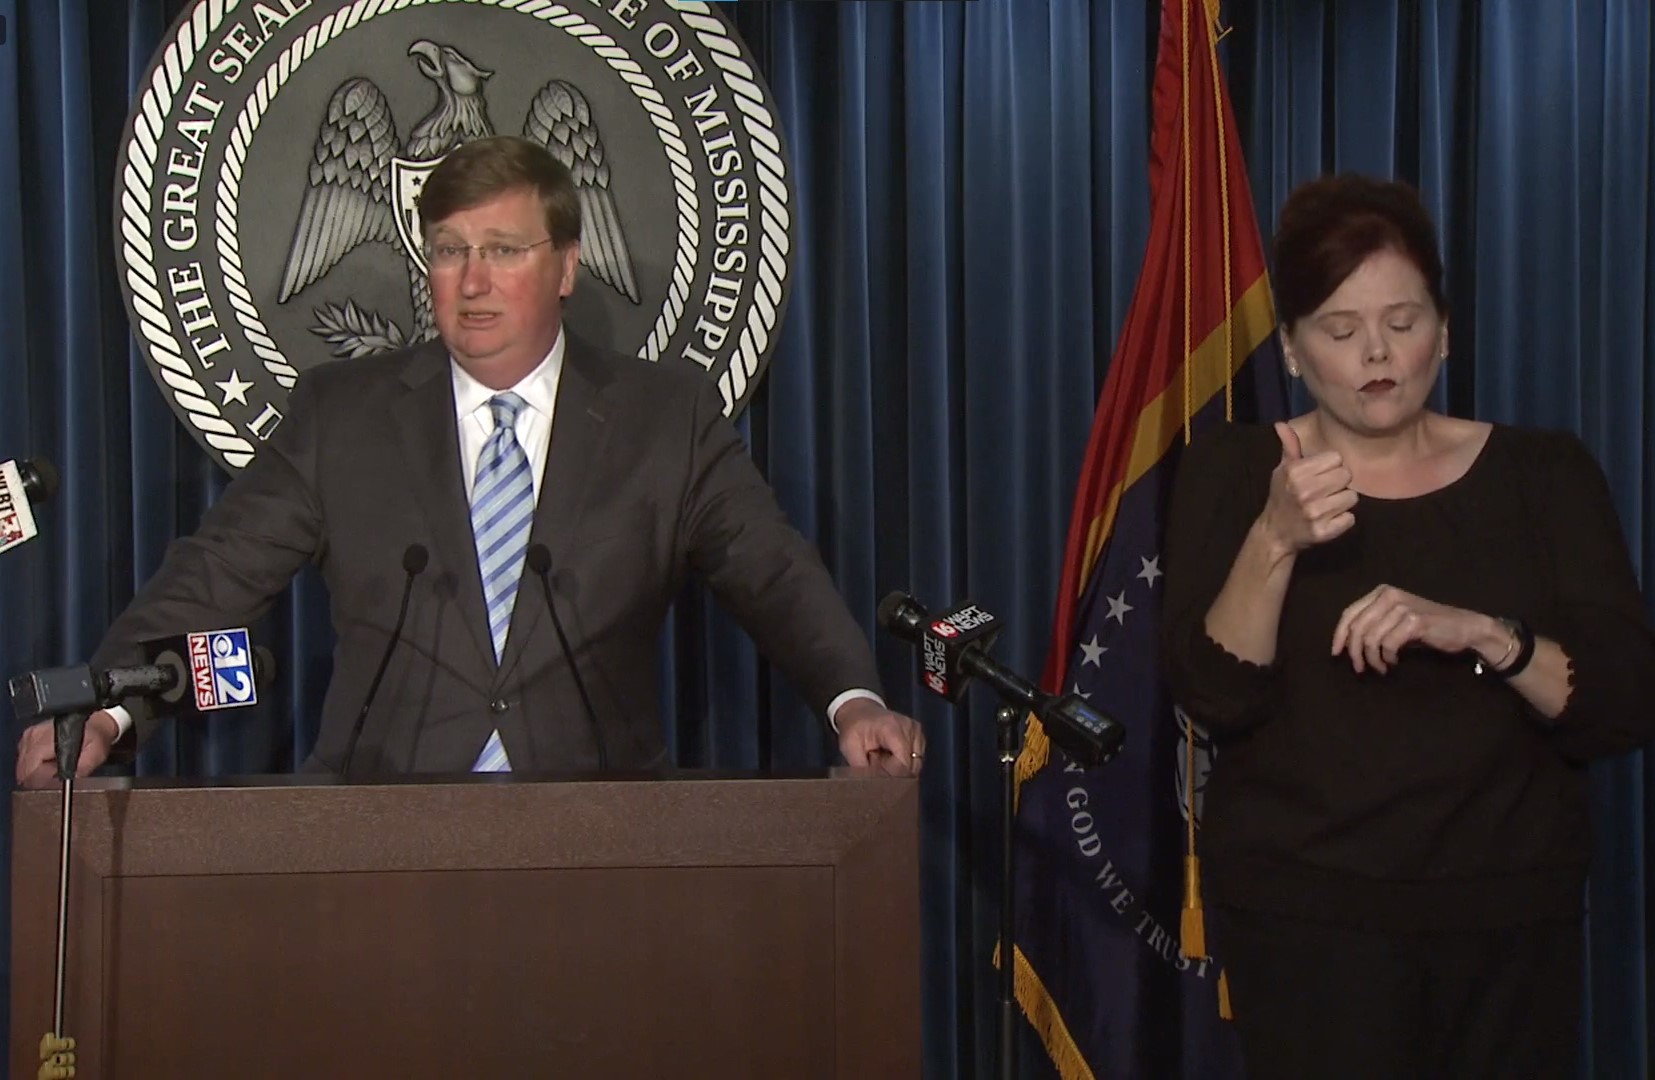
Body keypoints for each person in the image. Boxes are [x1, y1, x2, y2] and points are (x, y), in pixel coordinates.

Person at [16, 135, 924, 785]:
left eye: (502, 251)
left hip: (602, 830)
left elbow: (771, 573)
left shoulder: (662, 419)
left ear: (566, 266)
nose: (472, 280)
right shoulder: (343, 416)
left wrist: (852, 700)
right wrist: (108, 709)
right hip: (376, 831)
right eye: (449, 252)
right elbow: (214, 578)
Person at [1161, 174, 1655, 1078]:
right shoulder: (1234, 471)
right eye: (1340, 330)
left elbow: (1621, 706)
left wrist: (1487, 634)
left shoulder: (1544, 474)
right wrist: (1275, 537)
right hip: (1304, 926)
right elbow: (1214, 696)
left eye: (1402, 321)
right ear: (1293, 350)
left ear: (1445, 330)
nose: (1376, 352)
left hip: (1509, 925)